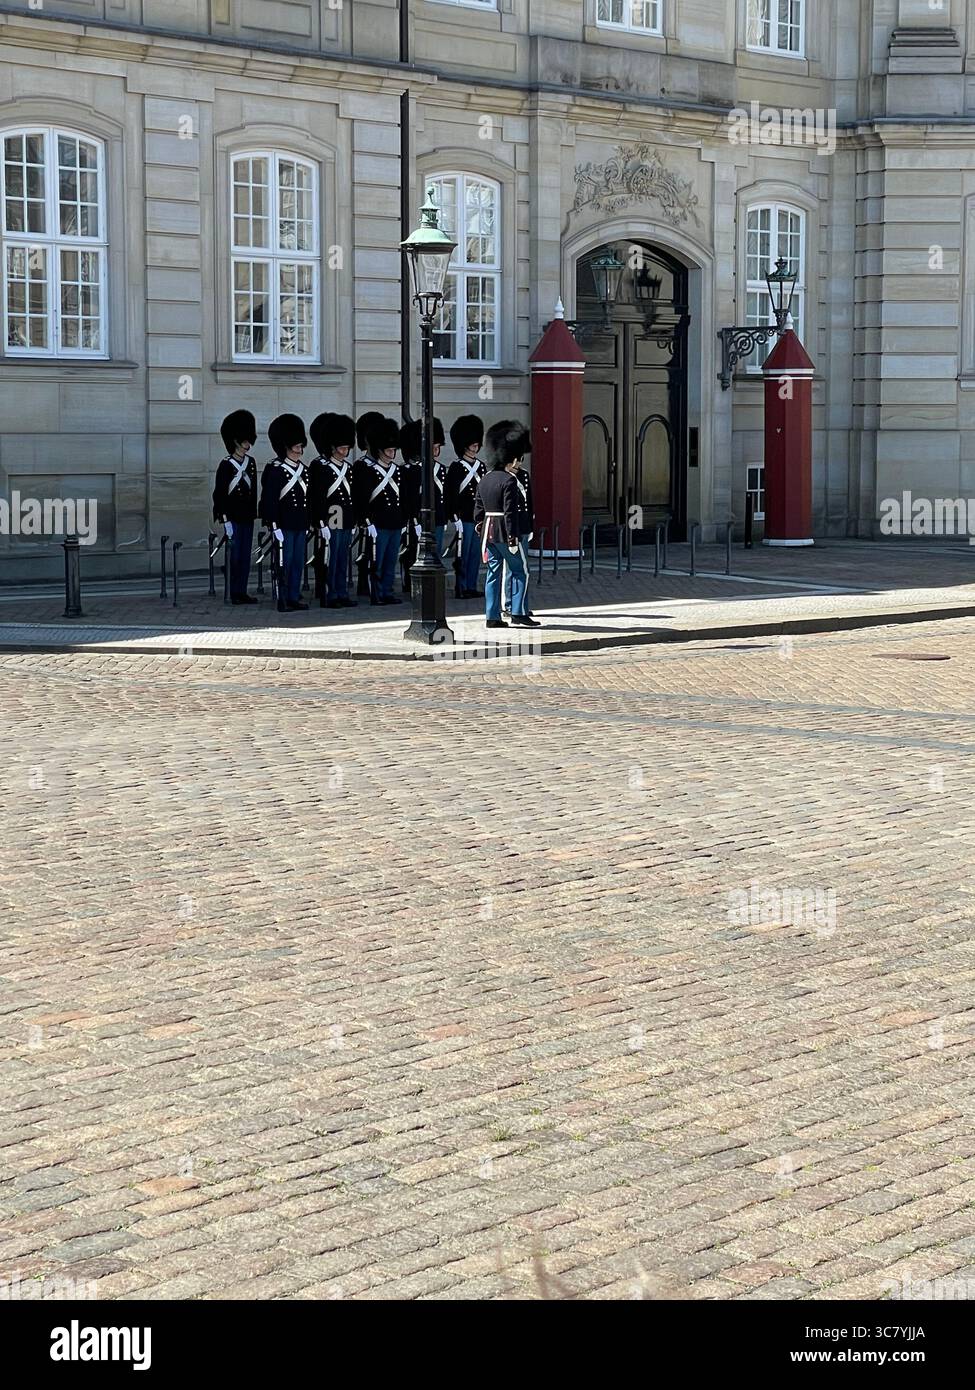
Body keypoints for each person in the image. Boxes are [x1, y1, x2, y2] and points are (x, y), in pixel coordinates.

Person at [474, 421, 541, 629]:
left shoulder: (485, 479)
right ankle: (519, 612)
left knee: (493, 573)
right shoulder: (509, 481)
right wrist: (513, 537)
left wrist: (480, 527)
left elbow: (478, 509)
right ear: (510, 458)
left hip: (489, 531)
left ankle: (492, 615)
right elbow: (510, 512)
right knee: (521, 571)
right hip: (505, 531)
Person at [260, 413, 310, 614]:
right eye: (296, 447)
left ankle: (293, 595)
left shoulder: (304, 471)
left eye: (300, 447)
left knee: (297, 563)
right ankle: (283, 597)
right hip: (283, 525)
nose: (299, 450)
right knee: (284, 564)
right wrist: (273, 525)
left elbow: (309, 500)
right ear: (285, 447)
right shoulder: (276, 470)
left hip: (299, 524)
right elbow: (269, 500)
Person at [352, 415, 405, 605]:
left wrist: (404, 520)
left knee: (391, 561)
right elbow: (361, 498)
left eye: (393, 450)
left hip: (395, 522)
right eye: (389, 450)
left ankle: (387, 591)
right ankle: (376, 592)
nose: (392, 454)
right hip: (377, 523)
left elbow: (402, 498)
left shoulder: (396, 470)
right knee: (377, 562)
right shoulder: (365, 468)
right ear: (379, 449)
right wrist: (366, 521)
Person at [309, 412, 357, 609]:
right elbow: (316, 497)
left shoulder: (347, 467)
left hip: (344, 517)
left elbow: (351, 497)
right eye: (342, 447)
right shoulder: (319, 466)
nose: (345, 451)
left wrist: (353, 521)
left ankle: (341, 592)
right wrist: (320, 522)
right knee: (331, 557)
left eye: (347, 447)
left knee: (342, 557)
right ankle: (330, 593)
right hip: (330, 518)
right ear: (332, 446)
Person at [212, 409, 259, 605]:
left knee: (245, 557)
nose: (248, 444)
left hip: (246, 515)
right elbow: (220, 493)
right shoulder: (226, 465)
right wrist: (224, 519)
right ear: (236, 440)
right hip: (232, 517)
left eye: (249, 440)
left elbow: (254, 491)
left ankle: (242, 590)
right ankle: (233, 591)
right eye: (244, 440)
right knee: (235, 557)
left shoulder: (251, 463)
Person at [399, 418, 447, 571]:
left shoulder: (440, 469)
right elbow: (410, 498)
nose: (436, 450)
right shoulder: (410, 470)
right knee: (413, 553)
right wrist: (413, 520)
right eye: (433, 447)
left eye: (437, 447)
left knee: (436, 553)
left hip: (437, 517)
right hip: (418, 520)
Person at [446, 415, 485, 599]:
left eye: (477, 443)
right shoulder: (456, 468)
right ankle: (460, 586)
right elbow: (451, 495)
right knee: (463, 555)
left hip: (478, 518)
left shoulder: (481, 467)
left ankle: (471, 584)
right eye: (472, 443)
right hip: (464, 518)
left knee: (475, 555)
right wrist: (455, 518)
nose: (475, 446)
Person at [354, 411, 384, 601]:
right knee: (366, 554)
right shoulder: (361, 465)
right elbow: (359, 496)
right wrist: (363, 519)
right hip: (369, 518)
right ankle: (364, 584)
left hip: (383, 518)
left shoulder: (385, 465)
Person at [502, 457, 535, 619]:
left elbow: (529, 502)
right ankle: (509, 604)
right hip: (511, 526)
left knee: (524, 568)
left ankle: (520, 604)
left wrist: (530, 526)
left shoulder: (524, 475)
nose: (518, 462)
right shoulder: (503, 476)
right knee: (510, 569)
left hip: (523, 525)